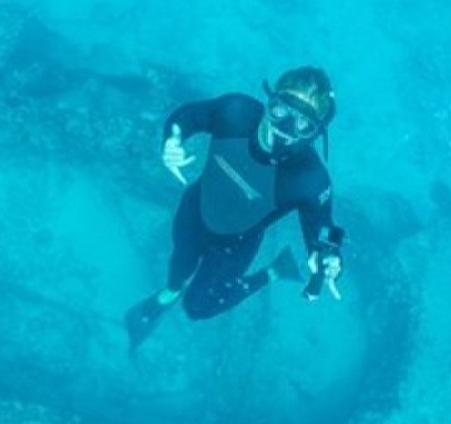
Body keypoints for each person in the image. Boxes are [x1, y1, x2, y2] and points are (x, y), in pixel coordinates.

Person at [125, 66, 346, 353]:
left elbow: (325, 227)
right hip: (194, 213)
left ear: (317, 133)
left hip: (236, 244)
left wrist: (329, 258)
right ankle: (169, 293)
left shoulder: (311, 180)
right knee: (178, 269)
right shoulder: (235, 112)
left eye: (303, 124)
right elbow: (187, 118)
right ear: (270, 100)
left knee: (198, 307)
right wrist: (172, 140)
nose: (285, 128)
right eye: (281, 111)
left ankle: (274, 272)